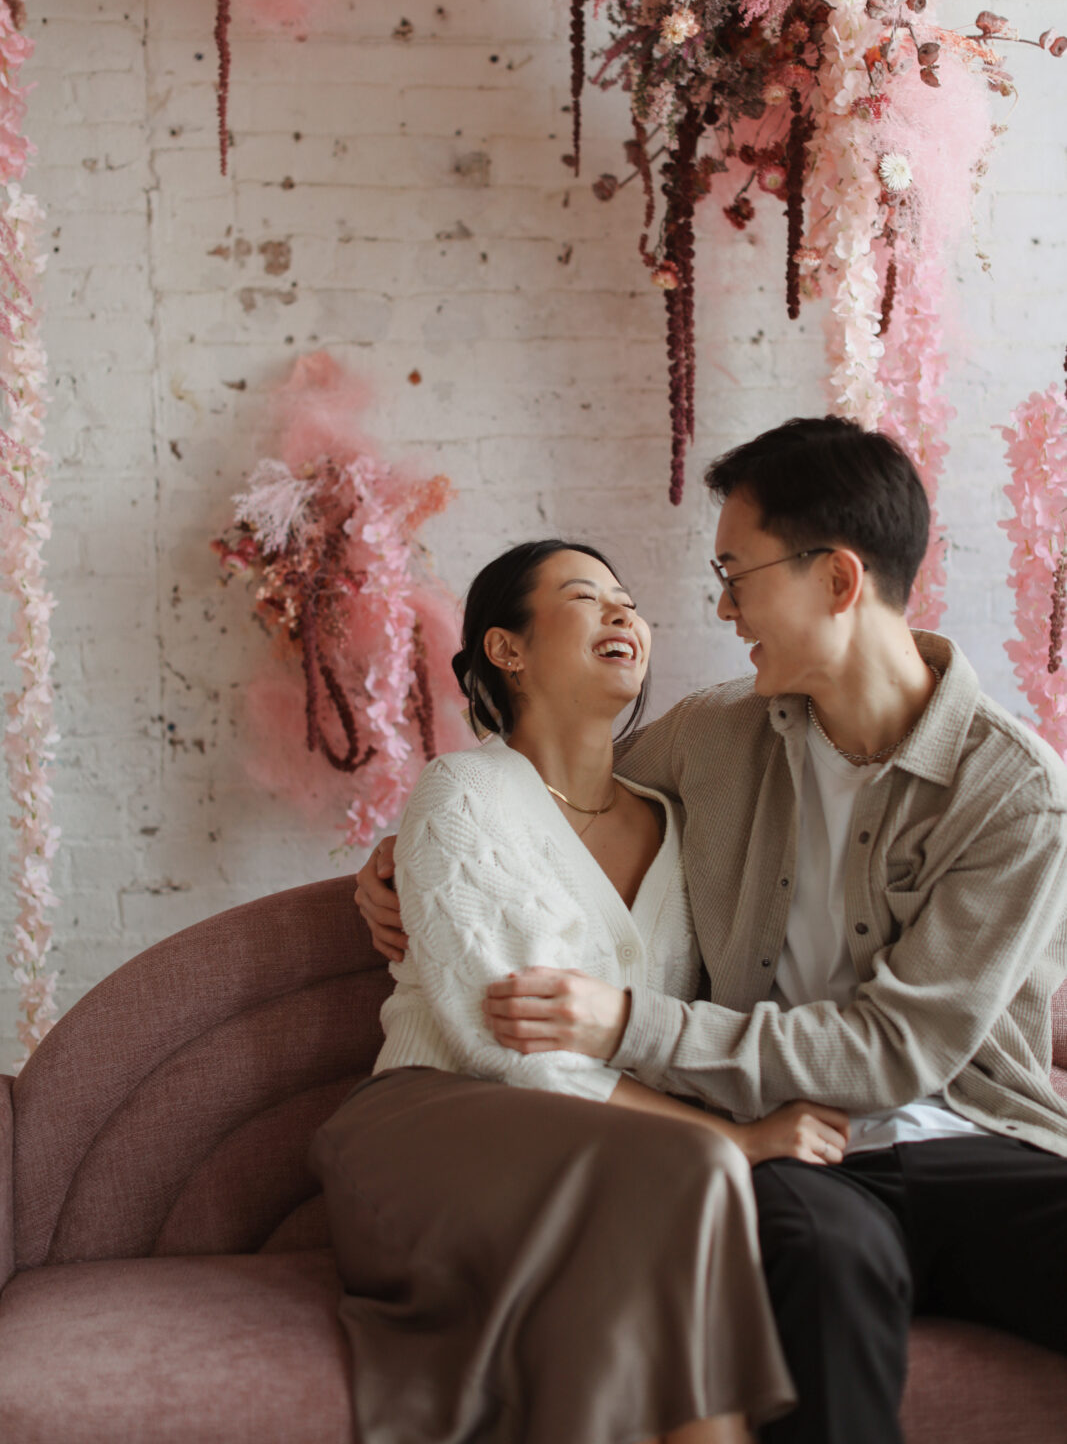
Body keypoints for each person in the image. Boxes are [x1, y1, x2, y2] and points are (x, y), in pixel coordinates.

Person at [358, 420, 1067, 1444]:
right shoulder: (712, 734)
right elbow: (542, 793)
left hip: (975, 1140)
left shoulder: (1011, 789)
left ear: (835, 579)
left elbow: (897, 1049)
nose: (721, 606)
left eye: (737, 573)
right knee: (817, 1265)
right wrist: (389, 860)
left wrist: (625, 1024)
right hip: (799, 1163)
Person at [315, 538, 857, 1444]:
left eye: (628, 600)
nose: (622, 614)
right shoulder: (460, 792)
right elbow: (507, 1048)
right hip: (434, 1127)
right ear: (507, 649)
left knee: (669, 1206)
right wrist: (743, 1139)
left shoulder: (680, 823)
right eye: (584, 596)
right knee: (694, 1172)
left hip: (613, 1153)